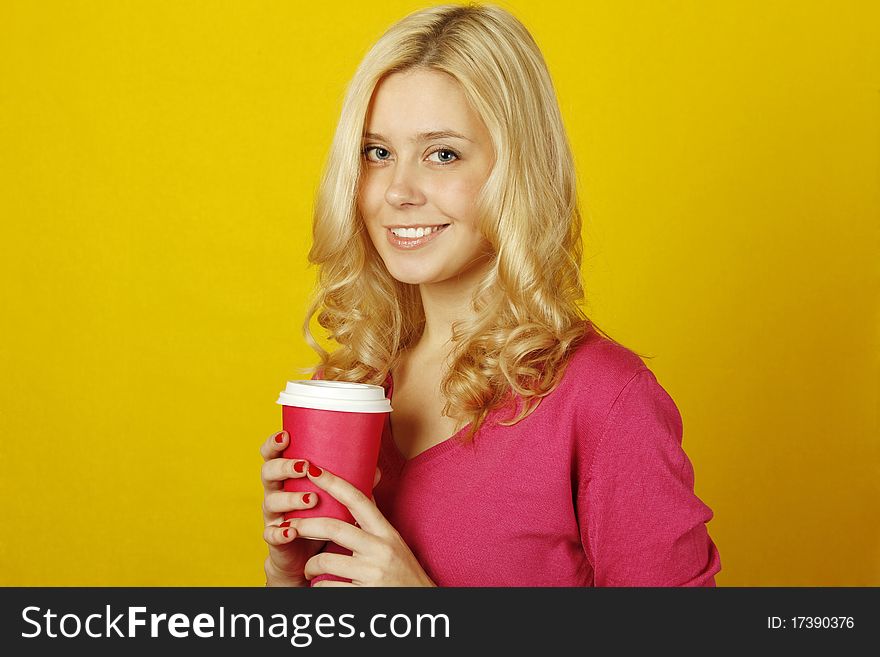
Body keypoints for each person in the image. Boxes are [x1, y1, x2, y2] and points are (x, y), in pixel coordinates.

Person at [261, 3, 722, 587]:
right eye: (377, 153)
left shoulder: (603, 401)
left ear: (517, 172)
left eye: (443, 154)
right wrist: (289, 578)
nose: (398, 191)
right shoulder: (350, 383)